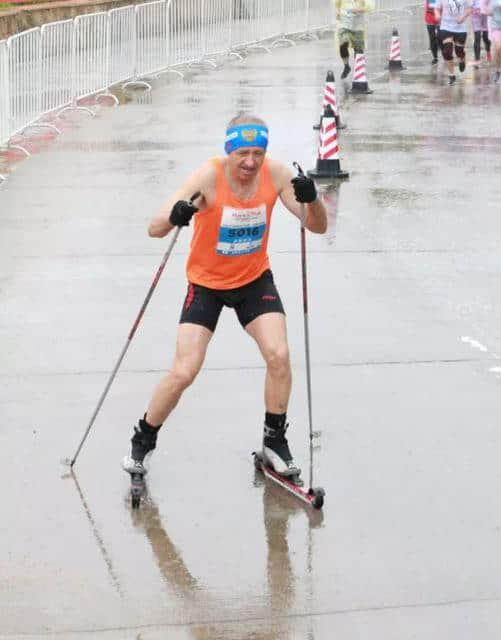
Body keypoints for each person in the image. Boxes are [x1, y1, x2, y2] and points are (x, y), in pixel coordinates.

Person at [121, 115, 328, 479]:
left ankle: (274, 441)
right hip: (206, 285)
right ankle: (144, 439)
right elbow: (155, 229)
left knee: (279, 355)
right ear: (228, 151)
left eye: (258, 153)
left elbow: (317, 226)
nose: (250, 162)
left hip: (253, 281)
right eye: (243, 153)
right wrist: (177, 214)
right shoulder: (208, 177)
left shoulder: (276, 175)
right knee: (185, 370)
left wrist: (314, 200)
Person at [434, 0, 474, 85]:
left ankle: (462, 59)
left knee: (459, 51)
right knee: (447, 51)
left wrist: (463, 17)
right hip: (446, 26)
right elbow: (436, 8)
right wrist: (437, 15)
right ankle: (451, 75)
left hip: (460, 28)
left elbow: (470, 8)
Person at [335, 0, 374, 79]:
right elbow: (337, 3)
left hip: (358, 26)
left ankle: (358, 70)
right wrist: (338, 12)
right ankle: (346, 66)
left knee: (358, 50)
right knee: (343, 43)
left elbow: (370, 6)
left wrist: (359, 10)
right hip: (344, 24)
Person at [471, 0, 491, 68]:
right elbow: (469, 5)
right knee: (477, 37)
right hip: (475, 16)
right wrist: (474, 10)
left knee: (486, 37)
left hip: (485, 16)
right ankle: (477, 59)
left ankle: (488, 51)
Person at [425, 0, 442, 65]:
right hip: (430, 19)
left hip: (441, 19)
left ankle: (444, 53)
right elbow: (429, 8)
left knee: (440, 37)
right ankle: (435, 57)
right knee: (432, 39)